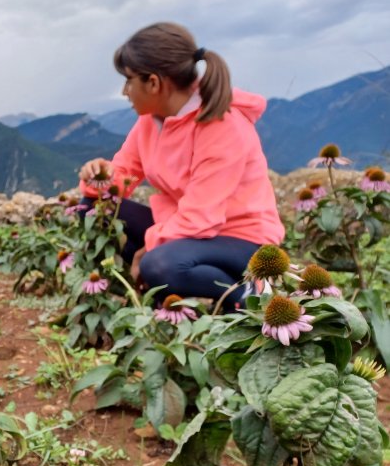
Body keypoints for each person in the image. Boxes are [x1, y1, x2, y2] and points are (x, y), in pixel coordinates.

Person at [78, 22, 284, 311]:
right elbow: (123, 179)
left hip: (240, 238)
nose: (125, 91)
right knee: (93, 210)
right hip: (186, 230)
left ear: (153, 83)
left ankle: (249, 297)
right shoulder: (150, 122)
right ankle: (170, 295)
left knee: (160, 265)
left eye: (129, 81)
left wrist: (149, 247)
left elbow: (202, 217)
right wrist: (98, 177)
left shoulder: (223, 128)